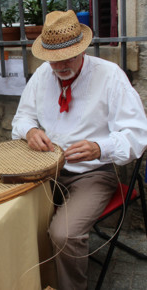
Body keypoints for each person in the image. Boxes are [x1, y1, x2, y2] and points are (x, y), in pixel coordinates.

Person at [12, 10, 147, 290]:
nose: (60, 66)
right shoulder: (41, 76)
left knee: (64, 234)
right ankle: (33, 280)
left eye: (68, 58)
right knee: (12, 214)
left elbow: (137, 134)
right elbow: (22, 118)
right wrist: (31, 131)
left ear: (81, 49)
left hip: (93, 174)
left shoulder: (109, 76)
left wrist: (100, 147)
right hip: (47, 168)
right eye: (53, 60)